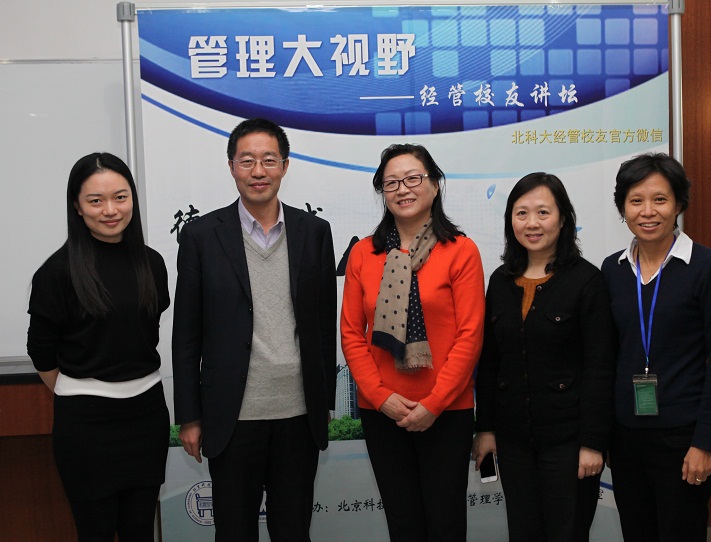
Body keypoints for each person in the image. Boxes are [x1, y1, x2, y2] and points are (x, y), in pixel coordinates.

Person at [172, 118, 337, 542]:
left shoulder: (314, 233)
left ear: (285, 166)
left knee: (293, 531)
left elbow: (323, 326)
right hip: (232, 416)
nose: (258, 171)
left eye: (268, 160)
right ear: (231, 166)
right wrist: (189, 416)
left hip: (298, 415)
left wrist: (325, 402)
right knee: (234, 531)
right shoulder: (201, 236)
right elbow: (186, 334)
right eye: (247, 161)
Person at [340, 143, 485, 541]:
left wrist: (434, 404)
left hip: (447, 410)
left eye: (413, 178)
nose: (402, 189)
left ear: (435, 185)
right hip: (382, 410)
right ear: (382, 192)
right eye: (391, 183)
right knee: (402, 524)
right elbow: (351, 333)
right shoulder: (363, 254)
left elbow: (470, 334)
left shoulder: (461, 251)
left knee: (445, 524)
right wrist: (380, 397)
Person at [27, 152, 170, 541]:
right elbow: (42, 354)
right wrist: (83, 393)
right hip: (85, 427)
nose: (110, 210)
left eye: (120, 197)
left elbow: (142, 334)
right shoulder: (57, 272)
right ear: (77, 206)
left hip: (147, 416)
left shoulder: (152, 263)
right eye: (96, 200)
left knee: (140, 531)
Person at [472, 173, 616, 541]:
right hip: (513, 440)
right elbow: (490, 361)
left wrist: (593, 443)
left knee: (566, 532)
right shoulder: (500, 281)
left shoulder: (586, 281)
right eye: (521, 213)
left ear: (563, 218)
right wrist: (485, 429)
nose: (532, 223)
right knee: (523, 531)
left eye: (543, 212)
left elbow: (599, 367)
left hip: (570, 441)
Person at [601, 153, 711, 542]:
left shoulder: (707, 266)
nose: (648, 211)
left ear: (678, 204)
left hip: (683, 437)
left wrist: (704, 443)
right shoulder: (613, 269)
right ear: (622, 208)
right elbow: (606, 357)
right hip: (626, 438)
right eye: (636, 200)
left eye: (660, 199)